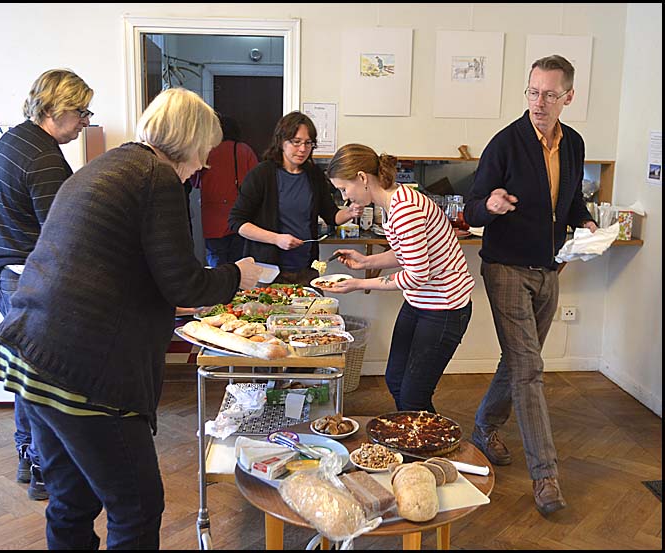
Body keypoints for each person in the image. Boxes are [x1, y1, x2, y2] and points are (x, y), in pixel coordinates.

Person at [0, 87, 261, 549]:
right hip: (84, 370)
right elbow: (184, 284)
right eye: (204, 151)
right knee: (137, 507)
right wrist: (237, 274)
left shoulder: (110, 165)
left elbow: (126, 269)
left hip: (32, 354)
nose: (204, 164)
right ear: (188, 141)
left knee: (71, 500)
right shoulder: (157, 177)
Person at [463, 54, 597, 517]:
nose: (539, 102)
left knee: (522, 359)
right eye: (533, 92)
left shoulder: (573, 144)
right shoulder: (505, 143)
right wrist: (491, 205)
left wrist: (585, 222)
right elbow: (471, 208)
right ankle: (545, 476)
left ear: (568, 97)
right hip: (505, 268)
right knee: (529, 369)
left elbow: (571, 200)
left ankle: (485, 425)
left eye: (549, 94)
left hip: (550, 268)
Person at [0, 68, 94, 501]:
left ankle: (27, 456)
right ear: (56, 109)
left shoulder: (13, 139)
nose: (85, 121)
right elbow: (62, 234)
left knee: (27, 372)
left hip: (6, 272)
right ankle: (43, 468)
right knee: (42, 378)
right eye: (81, 112)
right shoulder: (45, 159)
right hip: (29, 279)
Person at [325, 144, 475, 413]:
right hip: (420, 302)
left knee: (413, 396)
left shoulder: (406, 209)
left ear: (362, 178)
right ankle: (415, 433)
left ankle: (428, 439)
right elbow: (407, 252)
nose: (346, 198)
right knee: (396, 381)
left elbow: (417, 274)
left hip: (444, 307)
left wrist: (358, 284)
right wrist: (366, 262)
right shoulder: (393, 202)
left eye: (344, 189)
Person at [228, 111, 362, 286]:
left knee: (316, 304)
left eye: (308, 143)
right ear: (281, 142)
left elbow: (332, 216)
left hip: (306, 269)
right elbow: (237, 222)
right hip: (268, 271)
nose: (303, 149)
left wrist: (350, 212)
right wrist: (277, 239)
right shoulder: (262, 174)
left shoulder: (314, 175)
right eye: (296, 142)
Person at [199, 115, 259, 266]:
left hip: (212, 218)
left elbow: (195, 182)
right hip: (240, 215)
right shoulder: (244, 150)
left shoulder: (206, 152)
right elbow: (256, 183)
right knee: (239, 264)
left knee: (216, 262)